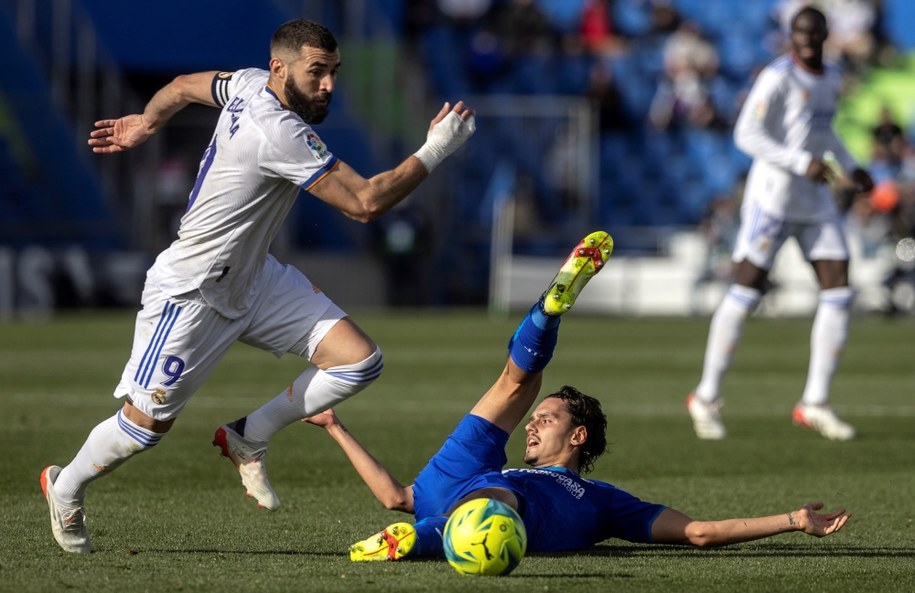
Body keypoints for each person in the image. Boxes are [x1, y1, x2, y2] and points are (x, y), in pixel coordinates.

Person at [39, 18, 476, 554]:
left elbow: (180, 87)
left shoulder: (246, 82)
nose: (329, 86)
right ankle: (66, 486)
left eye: (334, 73)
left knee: (359, 361)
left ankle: (250, 434)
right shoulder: (280, 131)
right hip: (193, 294)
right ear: (280, 68)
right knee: (145, 428)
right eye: (317, 72)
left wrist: (146, 123)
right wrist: (436, 150)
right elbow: (365, 203)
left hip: (254, 277)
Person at [303, 231, 849, 561]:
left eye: (548, 421)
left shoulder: (602, 500)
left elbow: (700, 533)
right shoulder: (525, 474)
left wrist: (791, 520)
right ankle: (547, 311)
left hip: (492, 504)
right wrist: (336, 428)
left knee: (502, 484)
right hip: (460, 492)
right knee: (516, 385)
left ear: (578, 436)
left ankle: (423, 540)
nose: (532, 427)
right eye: (535, 422)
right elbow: (398, 497)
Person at [686, 6, 874, 442]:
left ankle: (815, 402)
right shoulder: (776, 77)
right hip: (772, 200)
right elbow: (745, 135)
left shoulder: (829, 76)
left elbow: (824, 133)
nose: (807, 38)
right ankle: (706, 395)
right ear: (791, 35)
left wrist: (851, 165)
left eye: (814, 31)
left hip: (814, 200)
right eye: (799, 31)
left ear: (826, 33)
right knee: (746, 290)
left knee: (839, 288)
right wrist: (797, 161)